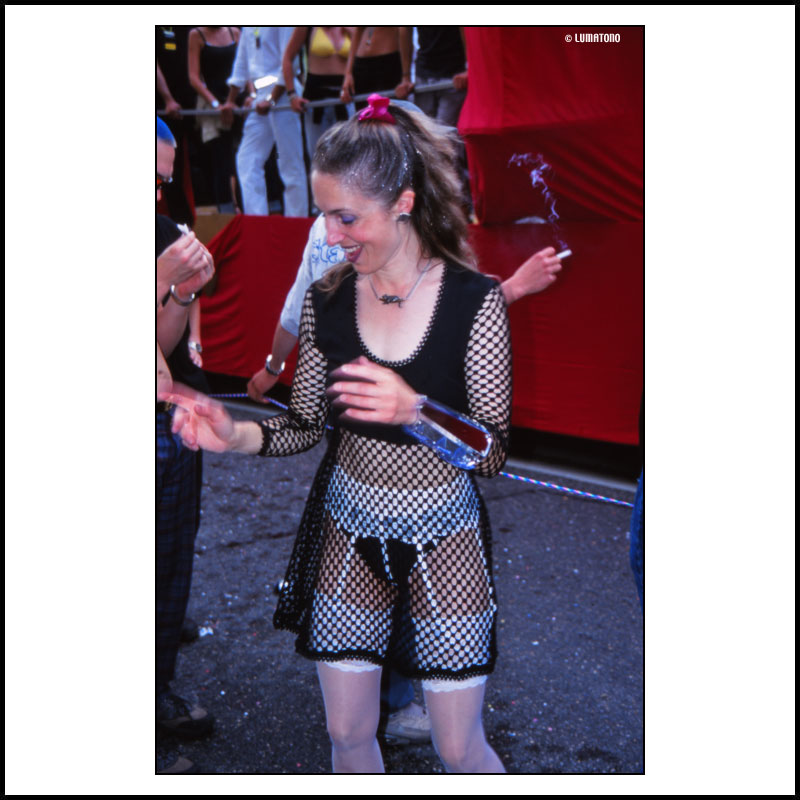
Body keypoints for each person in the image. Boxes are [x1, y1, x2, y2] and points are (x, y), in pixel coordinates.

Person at [164, 97, 515, 773]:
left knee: (457, 746)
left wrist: (417, 410)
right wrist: (234, 435)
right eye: (323, 214)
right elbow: (302, 427)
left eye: (346, 217)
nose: (329, 233)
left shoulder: (475, 300)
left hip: (445, 538)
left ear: (404, 203)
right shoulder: (326, 297)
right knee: (348, 735)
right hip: (348, 533)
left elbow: (492, 451)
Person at [156, 118, 216, 775]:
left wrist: (181, 291)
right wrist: (166, 282)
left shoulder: (163, 230)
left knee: (171, 559)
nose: (158, 192)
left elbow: (167, 343)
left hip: (170, 417)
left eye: (165, 180)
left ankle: (156, 687)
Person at [222, 26, 307, 217]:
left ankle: (296, 220)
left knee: (289, 163)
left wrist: (272, 98)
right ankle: (257, 220)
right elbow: (241, 64)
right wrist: (230, 100)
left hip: (283, 96)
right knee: (247, 159)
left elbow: (290, 62)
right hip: (261, 97)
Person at [282, 27, 356, 169]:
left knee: (349, 157)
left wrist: (352, 32)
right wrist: (292, 95)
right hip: (315, 101)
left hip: (345, 99)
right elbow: (287, 58)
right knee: (319, 158)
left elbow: (365, 49)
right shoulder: (307, 27)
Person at [187, 26, 241, 212]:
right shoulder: (196, 35)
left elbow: (244, 68)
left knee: (243, 160)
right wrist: (216, 104)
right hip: (214, 107)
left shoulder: (235, 32)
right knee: (221, 163)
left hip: (238, 103)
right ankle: (226, 213)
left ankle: (247, 211)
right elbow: (194, 77)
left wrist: (250, 95)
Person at [340, 27, 414, 108]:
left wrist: (406, 75)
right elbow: (358, 30)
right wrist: (348, 73)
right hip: (360, 65)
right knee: (364, 112)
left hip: (387, 63)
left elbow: (404, 30)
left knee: (389, 110)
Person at [412, 27, 469, 128]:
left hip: (454, 73)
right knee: (424, 129)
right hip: (424, 72)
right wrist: (406, 76)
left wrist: (468, 66)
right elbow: (404, 30)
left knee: (445, 130)